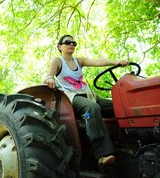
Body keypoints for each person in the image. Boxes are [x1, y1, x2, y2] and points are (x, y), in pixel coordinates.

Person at [42, 34, 128, 170]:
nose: (71, 44)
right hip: (72, 96)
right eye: (68, 42)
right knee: (92, 108)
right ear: (60, 46)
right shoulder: (58, 61)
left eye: (74, 43)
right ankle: (102, 155)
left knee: (118, 106)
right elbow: (47, 75)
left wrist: (116, 62)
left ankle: (128, 145)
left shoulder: (79, 61)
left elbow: (97, 61)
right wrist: (49, 79)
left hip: (88, 93)